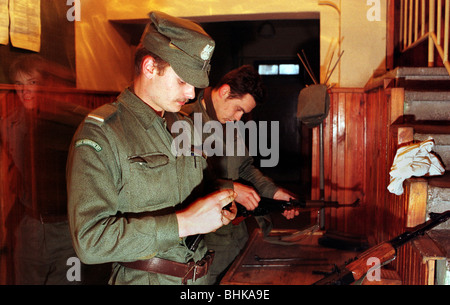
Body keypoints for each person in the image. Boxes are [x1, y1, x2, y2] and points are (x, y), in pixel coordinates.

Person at [66, 11, 236, 285]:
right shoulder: (103, 133)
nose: (192, 93)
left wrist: (223, 197)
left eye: (195, 84)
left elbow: (197, 187)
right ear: (149, 67)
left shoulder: (183, 126)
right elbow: (90, 241)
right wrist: (185, 223)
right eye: (182, 81)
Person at [174, 65, 299, 284]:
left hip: (237, 239)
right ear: (224, 92)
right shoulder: (183, 121)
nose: (239, 118)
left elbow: (245, 168)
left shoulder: (230, 123)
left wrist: (275, 192)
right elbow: (180, 183)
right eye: (238, 109)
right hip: (204, 245)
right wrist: (230, 190)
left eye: (244, 112)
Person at [4, 54, 87, 284]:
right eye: (19, 85)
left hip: (66, 227)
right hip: (31, 226)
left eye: (32, 83)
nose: (25, 92)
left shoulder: (74, 122)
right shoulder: (10, 125)